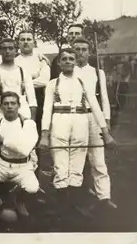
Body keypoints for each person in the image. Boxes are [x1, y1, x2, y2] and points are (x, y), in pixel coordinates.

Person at [38, 48, 116, 213]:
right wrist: (44, 135)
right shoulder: (52, 84)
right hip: (59, 120)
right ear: (58, 63)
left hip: (80, 121)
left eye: (71, 59)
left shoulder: (83, 82)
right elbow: (46, 110)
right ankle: (62, 206)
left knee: (77, 164)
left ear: (75, 61)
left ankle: (73, 206)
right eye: (64, 59)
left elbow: (95, 107)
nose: (68, 61)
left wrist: (106, 133)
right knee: (60, 163)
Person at [73, 37, 117, 210]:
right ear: (73, 50)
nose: (80, 53)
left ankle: (104, 197)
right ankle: (75, 198)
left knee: (98, 160)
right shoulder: (68, 71)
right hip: (75, 118)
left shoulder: (98, 72)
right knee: (75, 159)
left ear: (89, 52)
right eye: (77, 49)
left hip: (95, 118)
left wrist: (106, 121)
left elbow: (104, 98)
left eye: (84, 49)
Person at [0, 38, 37, 120]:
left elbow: (32, 100)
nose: (7, 51)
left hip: (22, 114)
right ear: (0, 52)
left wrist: (31, 121)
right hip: (0, 115)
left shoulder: (24, 72)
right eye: (4, 49)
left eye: (11, 48)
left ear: (16, 51)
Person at [15, 30, 51, 132]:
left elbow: (44, 81)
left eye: (28, 39)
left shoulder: (41, 60)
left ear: (34, 43)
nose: (25, 42)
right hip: (20, 98)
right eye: (22, 39)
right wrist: (34, 77)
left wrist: (24, 82)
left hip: (39, 98)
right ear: (18, 43)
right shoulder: (14, 61)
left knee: (37, 127)